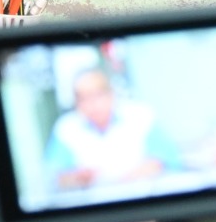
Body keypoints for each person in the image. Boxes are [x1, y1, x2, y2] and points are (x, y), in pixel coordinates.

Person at [44, 67, 181, 193]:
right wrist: (77, 178)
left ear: (111, 94)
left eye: (97, 95)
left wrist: (132, 178)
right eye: (83, 98)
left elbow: (168, 159)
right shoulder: (66, 129)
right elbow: (54, 177)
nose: (92, 104)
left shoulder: (141, 116)